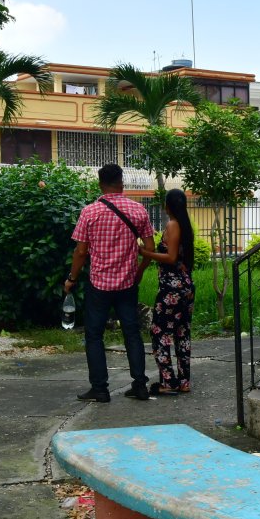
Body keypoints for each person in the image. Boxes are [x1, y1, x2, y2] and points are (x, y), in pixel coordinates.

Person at [64, 164, 155, 402]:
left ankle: (100, 389)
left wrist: (71, 278)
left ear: (100, 184)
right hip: (127, 284)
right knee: (132, 333)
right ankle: (140, 385)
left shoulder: (90, 212)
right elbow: (150, 249)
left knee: (94, 335)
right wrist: (139, 272)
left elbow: (81, 251)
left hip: (99, 285)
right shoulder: (138, 210)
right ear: (121, 182)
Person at [139, 188, 196, 395]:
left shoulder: (172, 225)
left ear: (168, 206)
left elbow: (171, 258)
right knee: (182, 332)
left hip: (171, 288)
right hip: (186, 287)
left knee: (159, 332)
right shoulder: (186, 225)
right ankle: (183, 381)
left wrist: (146, 252)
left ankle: (168, 381)